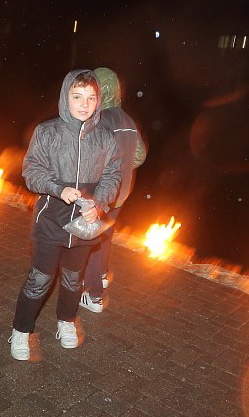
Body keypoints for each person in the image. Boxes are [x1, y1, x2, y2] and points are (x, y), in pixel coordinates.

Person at [10, 69, 123, 360]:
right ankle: (21, 330)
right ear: (65, 98)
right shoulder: (47, 131)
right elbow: (31, 171)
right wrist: (59, 189)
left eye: (90, 98)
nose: (84, 104)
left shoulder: (106, 137)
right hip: (51, 218)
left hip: (85, 224)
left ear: (99, 101)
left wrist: (98, 203)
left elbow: (112, 176)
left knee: (74, 278)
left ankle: (66, 320)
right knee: (40, 279)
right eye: (77, 97)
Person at [79, 67, 147, 314]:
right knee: (105, 235)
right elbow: (139, 155)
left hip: (104, 193)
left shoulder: (100, 120)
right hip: (122, 192)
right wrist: (123, 167)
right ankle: (104, 275)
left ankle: (94, 295)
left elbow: (89, 159)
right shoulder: (127, 119)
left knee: (92, 242)